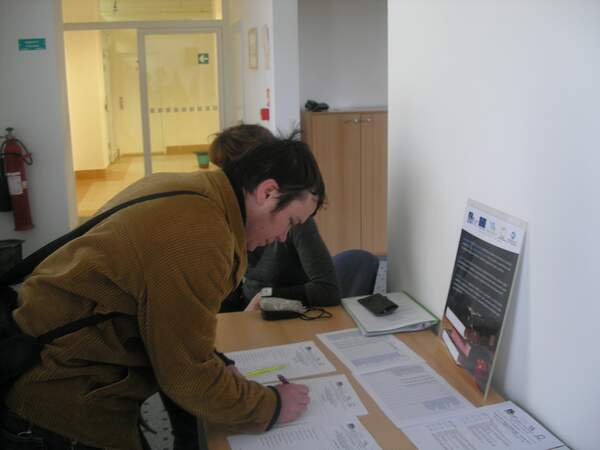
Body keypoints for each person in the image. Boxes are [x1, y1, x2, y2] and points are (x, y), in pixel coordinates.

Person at [1, 136, 325, 450]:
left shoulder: (189, 190)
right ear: (268, 192)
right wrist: (273, 405)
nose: (283, 237)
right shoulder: (201, 235)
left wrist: (216, 360)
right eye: (290, 221)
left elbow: (166, 316)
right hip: (58, 402)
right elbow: (186, 378)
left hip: (40, 359)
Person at [210, 124, 341, 313]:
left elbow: (328, 290)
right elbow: (231, 289)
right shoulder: (226, 222)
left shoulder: (293, 220)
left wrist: (266, 296)